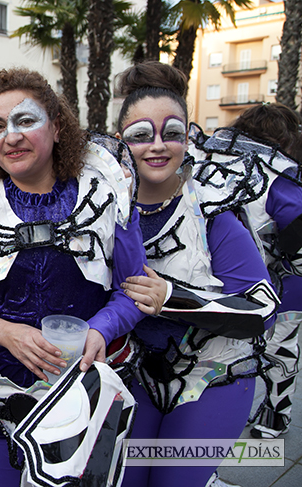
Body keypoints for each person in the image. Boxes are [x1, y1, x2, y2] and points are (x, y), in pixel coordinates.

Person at [0, 68, 148, 487]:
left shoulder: (108, 190)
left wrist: (100, 330)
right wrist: (4, 332)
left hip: (85, 394)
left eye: (25, 120)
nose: (11, 137)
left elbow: (133, 291)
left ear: (58, 126)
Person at [116, 62, 278, 487]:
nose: (157, 146)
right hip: (134, 377)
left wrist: (173, 296)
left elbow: (264, 311)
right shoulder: (98, 210)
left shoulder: (212, 216)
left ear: (188, 139)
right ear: (120, 142)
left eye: (171, 133)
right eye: (140, 135)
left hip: (210, 381)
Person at [196, 103, 302, 440]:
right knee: (281, 351)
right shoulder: (283, 178)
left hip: (200, 276)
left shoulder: (203, 155)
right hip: (273, 286)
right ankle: (274, 419)